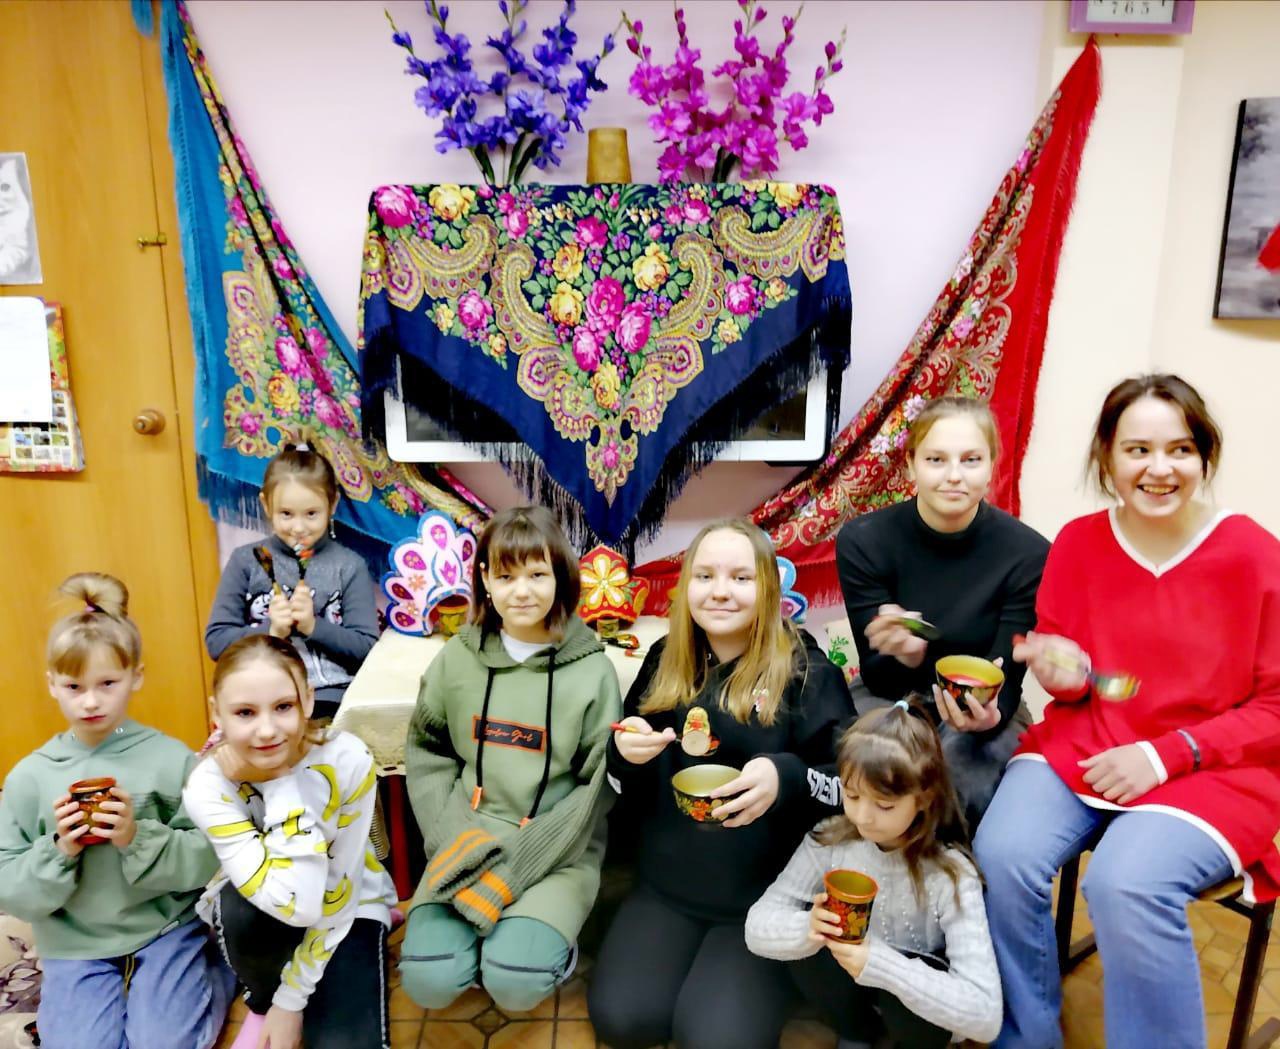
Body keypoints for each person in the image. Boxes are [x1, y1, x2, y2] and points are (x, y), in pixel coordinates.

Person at [975, 374, 1280, 1049]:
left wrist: (1165, 755)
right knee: (1002, 852)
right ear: (1107, 457)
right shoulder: (1078, 543)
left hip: (1215, 769)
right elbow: (1076, 677)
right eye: (1138, 449)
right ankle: (1026, 1036)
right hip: (1089, 743)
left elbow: (1276, 707)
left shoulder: (1256, 556)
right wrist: (1064, 676)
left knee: (1125, 883)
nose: (1159, 468)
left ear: (1204, 456)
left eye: (1180, 449)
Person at [587, 518, 855, 1049]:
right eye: (705, 576)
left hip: (764, 902)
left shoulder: (807, 672)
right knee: (624, 1021)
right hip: (667, 888)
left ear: (768, 588)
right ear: (686, 587)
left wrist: (787, 777)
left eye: (740, 578)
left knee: (715, 1040)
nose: (720, 592)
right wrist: (624, 755)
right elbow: (623, 776)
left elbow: (852, 789)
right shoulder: (666, 659)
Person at [399, 506, 621, 1014]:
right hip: (467, 839)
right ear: (484, 579)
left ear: (560, 577)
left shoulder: (593, 672)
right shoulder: (457, 657)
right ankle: (481, 950)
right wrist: (455, 842)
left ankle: (528, 951)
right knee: (429, 981)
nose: (522, 591)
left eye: (537, 574)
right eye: (506, 576)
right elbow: (427, 750)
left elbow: (597, 786)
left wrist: (512, 873)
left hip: (554, 847)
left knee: (516, 983)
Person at [0, 573, 232, 1049]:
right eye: (74, 685)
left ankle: (216, 970)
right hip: (74, 943)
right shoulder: (30, 777)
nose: (91, 701)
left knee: (166, 1043)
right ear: (52, 685)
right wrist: (60, 848)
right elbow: (10, 888)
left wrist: (136, 837)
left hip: (164, 929)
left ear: (136, 677)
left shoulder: (171, 761)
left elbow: (208, 854)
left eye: (107, 683)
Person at [836, 396, 1049, 827]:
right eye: (936, 460)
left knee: (959, 784)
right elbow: (877, 674)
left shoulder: (1029, 554)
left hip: (984, 708)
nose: (954, 476)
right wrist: (905, 654)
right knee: (865, 770)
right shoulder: (864, 540)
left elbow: (1007, 678)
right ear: (911, 465)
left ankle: (951, 871)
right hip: (888, 694)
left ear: (991, 467)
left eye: (971, 460)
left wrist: (988, 718)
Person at [746, 699, 1001, 1047]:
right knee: (811, 952)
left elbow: (986, 1016)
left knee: (911, 1004)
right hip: (853, 999)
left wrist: (881, 964)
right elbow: (755, 928)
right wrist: (809, 928)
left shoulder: (952, 874)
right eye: (852, 796)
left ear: (924, 799)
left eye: (884, 805)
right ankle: (856, 1034)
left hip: (917, 1019)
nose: (863, 817)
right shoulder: (830, 840)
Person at [184, 633, 397, 1049]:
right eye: (245, 712)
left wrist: (293, 998)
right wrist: (279, 1001)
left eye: (283, 707)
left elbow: (335, 894)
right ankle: (261, 1000)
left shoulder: (347, 758)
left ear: (308, 700)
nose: (266, 730)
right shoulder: (207, 785)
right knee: (237, 912)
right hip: (269, 904)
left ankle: (286, 999)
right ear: (217, 714)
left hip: (347, 903)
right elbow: (294, 905)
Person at [205, 439, 379, 718]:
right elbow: (216, 642)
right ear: (266, 504)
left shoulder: (349, 566)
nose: (299, 527)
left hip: (329, 699)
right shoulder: (246, 561)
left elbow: (367, 649)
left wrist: (313, 627)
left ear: (332, 504)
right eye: (286, 514)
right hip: (259, 698)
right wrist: (271, 631)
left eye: (311, 514)